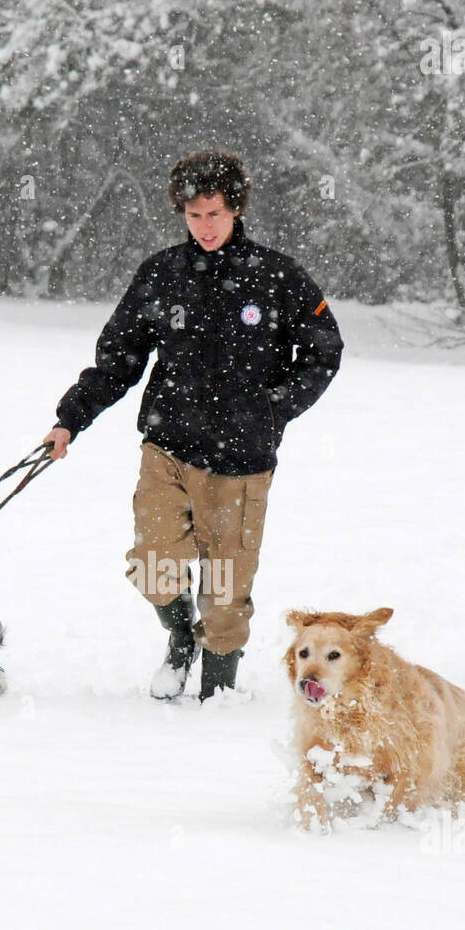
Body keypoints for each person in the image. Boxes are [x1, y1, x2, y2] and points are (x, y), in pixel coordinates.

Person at [41, 148, 343, 701]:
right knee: (155, 567)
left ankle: (217, 694)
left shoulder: (277, 276)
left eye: (215, 214)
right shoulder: (161, 274)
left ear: (236, 211)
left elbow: (325, 351)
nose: (204, 226)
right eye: (194, 214)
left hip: (241, 462)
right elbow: (119, 360)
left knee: (226, 595)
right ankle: (181, 639)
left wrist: (274, 407)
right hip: (169, 447)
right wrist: (69, 421)